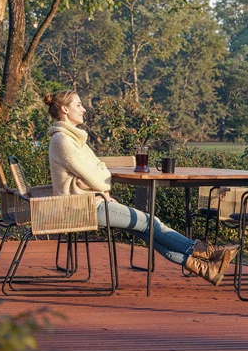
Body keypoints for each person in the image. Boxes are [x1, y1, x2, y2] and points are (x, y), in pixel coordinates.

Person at [44, 90, 236, 285]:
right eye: (78, 105)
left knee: (148, 232)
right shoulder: (62, 140)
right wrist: (98, 184)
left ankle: (206, 268)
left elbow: (100, 170)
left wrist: (97, 184)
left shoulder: (74, 140)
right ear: (64, 109)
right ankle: (208, 253)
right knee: (151, 223)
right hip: (81, 208)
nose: (83, 108)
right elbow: (99, 177)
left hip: (92, 202)